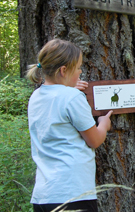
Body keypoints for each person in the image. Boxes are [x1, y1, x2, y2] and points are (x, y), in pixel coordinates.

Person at [26, 39, 113, 212]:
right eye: (79, 67)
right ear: (64, 70)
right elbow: (94, 140)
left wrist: (70, 87)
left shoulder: (36, 96)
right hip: (73, 193)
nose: (81, 72)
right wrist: (104, 124)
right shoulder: (72, 97)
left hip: (43, 195)